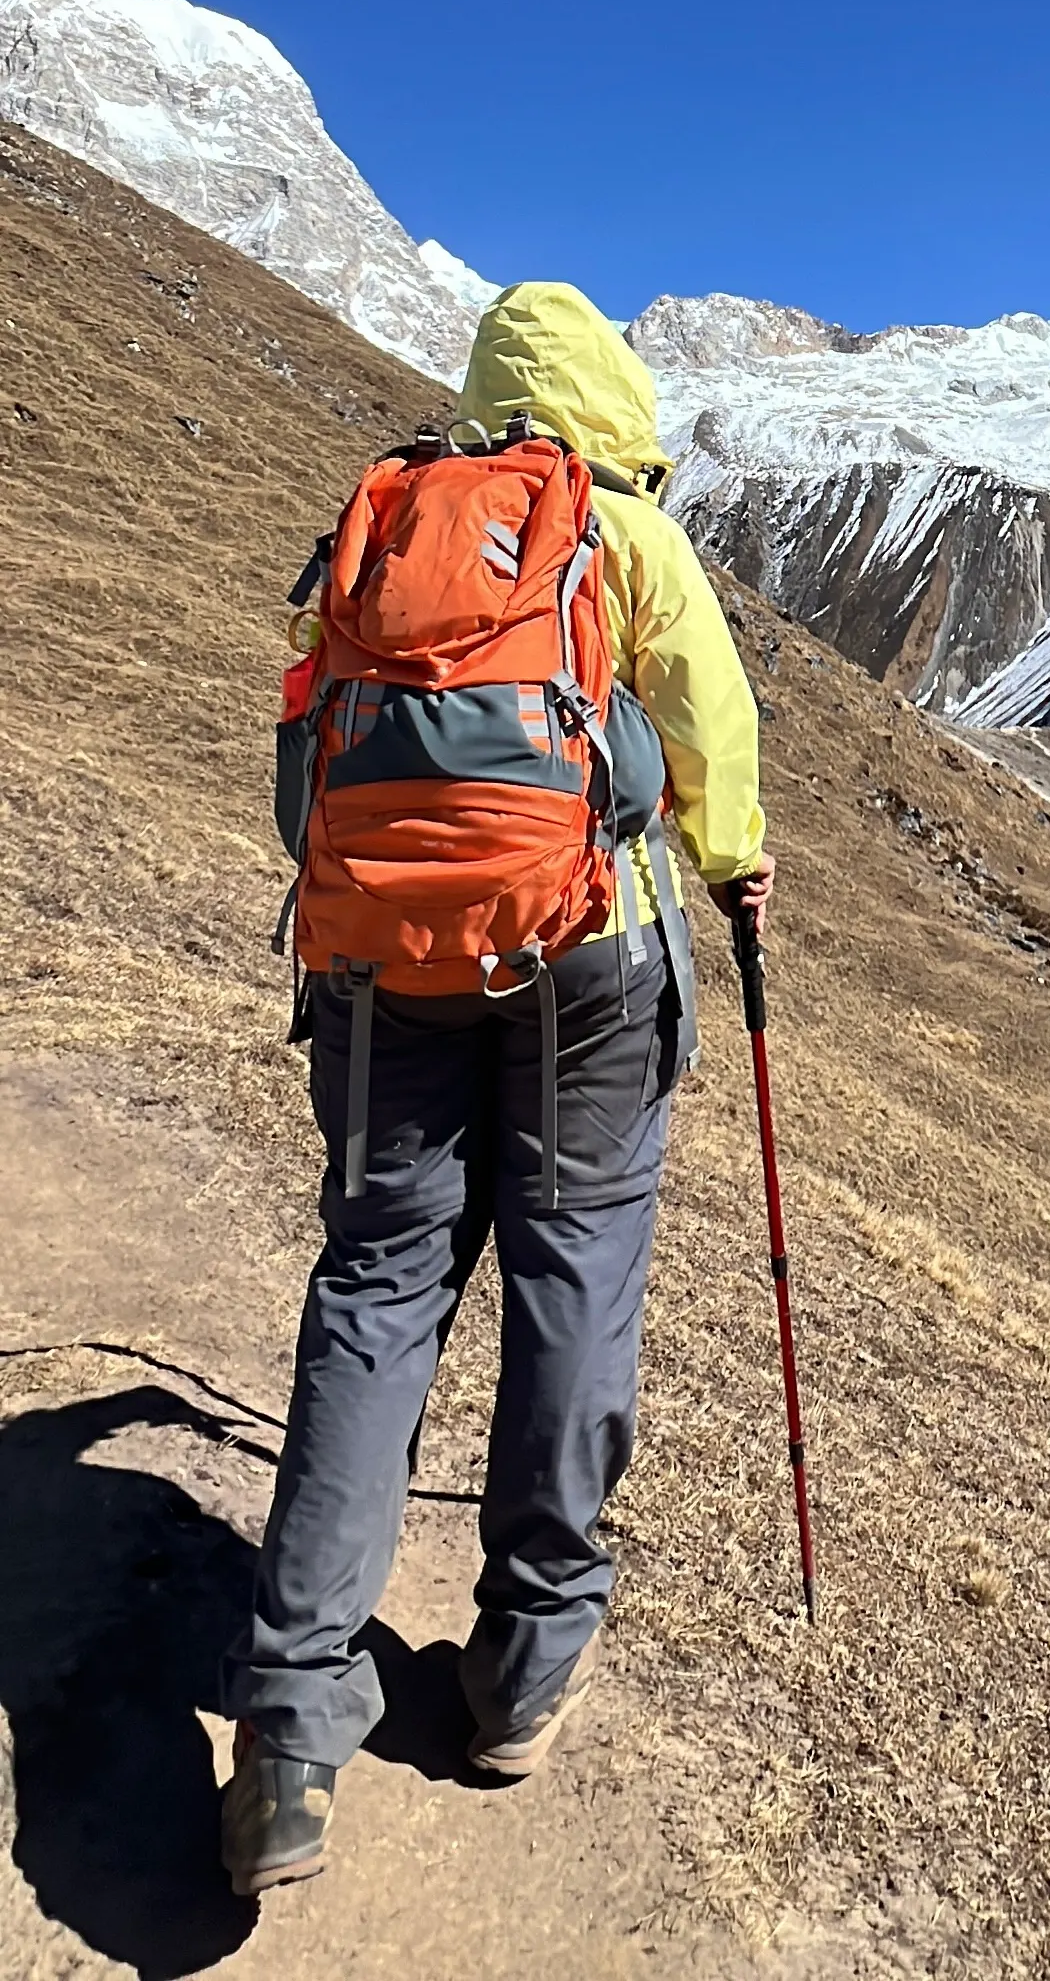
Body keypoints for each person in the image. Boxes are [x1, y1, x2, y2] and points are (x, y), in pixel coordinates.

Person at [220, 283, 768, 1896]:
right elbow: (715, 743)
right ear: (611, 403)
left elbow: (296, 773)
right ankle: (520, 1674)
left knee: (380, 1293)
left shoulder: (384, 531)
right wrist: (735, 873)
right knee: (575, 1281)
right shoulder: (620, 537)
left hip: (387, 979)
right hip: (590, 965)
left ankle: (290, 1729)